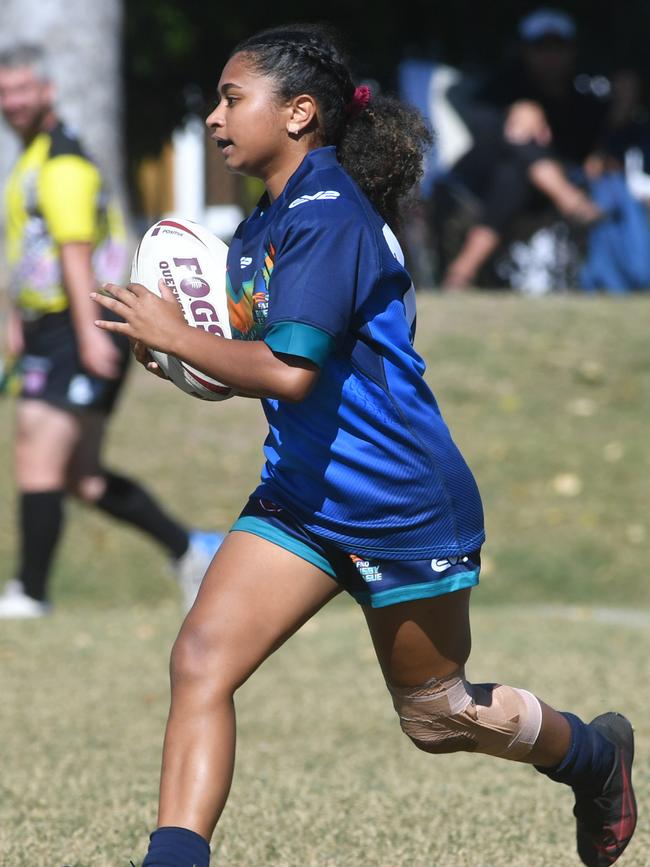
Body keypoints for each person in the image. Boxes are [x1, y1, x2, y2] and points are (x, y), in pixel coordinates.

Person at [93, 24, 637, 867]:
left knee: (437, 716)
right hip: (303, 502)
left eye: (233, 99)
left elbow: (288, 372)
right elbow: (252, 368)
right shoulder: (262, 225)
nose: (213, 117)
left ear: (300, 113)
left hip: (400, 505)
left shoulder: (329, 215)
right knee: (200, 661)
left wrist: (180, 337)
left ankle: (595, 756)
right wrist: (175, 357)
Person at [0, 44, 223, 617]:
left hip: (73, 328)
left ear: (46, 91)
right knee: (83, 478)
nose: (11, 101)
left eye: (21, 89)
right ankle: (192, 550)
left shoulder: (63, 162)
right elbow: (28, 250)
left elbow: (75, 254)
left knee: (37, 456)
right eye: (3, 92)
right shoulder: (30, 159)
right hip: (52, 326)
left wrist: (88, 333)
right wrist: (13, 319)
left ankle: (30, 592)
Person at [440, 7, 607, 289]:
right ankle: (570, 201)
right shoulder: (498, 88)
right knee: (519, 135)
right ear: (524, 51)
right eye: (540, 47)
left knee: (514, 174)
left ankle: (462, 272)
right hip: (480, 177)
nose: (550, 56)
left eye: (558, 47)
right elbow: (485, 133)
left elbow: (589, 151)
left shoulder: (583, 100)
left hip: (530, 187)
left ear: (572, 51)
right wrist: (519, 111)